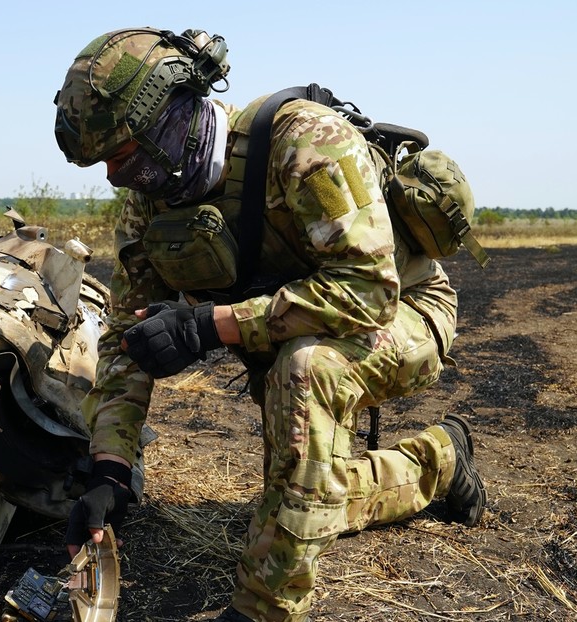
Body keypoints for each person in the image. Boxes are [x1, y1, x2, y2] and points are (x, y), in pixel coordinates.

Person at [53, 27, 486, 622]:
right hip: (289, 331)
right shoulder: (148, 203)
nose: (112, 176)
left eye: (121, 156)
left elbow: (368, 289)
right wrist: (110, 471)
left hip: (403, 313)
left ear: (169, 119)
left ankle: (265, 609)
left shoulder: (304, 143)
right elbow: (127, 341)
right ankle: (437, 462)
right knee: (302, 498)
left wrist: (209, 326)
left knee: (305, 370)